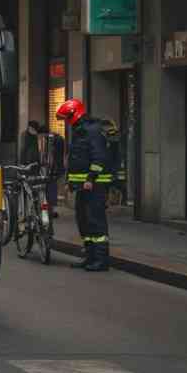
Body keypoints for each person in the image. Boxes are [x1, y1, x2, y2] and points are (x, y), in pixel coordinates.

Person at [57, 98, 112, 272]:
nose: (66, 121)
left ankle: (101, 260)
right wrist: (70, 181)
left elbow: (99, 157)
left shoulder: (93, 131)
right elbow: (76, 159)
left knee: (95, 221)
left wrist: (91, 178)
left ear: (74, 114)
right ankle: (90, 257)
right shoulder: (80, 131)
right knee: (84, 221)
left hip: (94, 185)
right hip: (83, 185)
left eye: (67, 117)